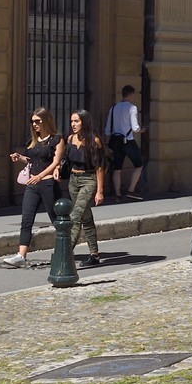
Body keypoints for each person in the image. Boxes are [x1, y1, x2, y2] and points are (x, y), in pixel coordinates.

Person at [2, 106, 65, 268]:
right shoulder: (33, 141)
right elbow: (32, 160)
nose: (35, 124)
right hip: (32, 185)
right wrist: (20, 157)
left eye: (38, 121)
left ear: (46, 121)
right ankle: (21, 256)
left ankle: (65, 250)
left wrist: (40, 176)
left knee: (56, 219)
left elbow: (56, 162)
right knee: (26, 219)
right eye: (32, 122)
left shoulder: (57, 139)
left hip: (48, 183)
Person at [63, 109, 106, 267]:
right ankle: (94, 254)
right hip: (73, 180)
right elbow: (66, 160)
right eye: (72, 121)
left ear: (85, 122)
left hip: (88, 180)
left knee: (75, 216)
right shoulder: (70, 138)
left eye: (76, 121)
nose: (73, 124)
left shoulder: (95, 141)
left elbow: (100, 167)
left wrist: (99, 191)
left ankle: (65, 253)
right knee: (86, 218)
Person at [105, 84, 146, 199]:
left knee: (117, 169)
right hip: (128, 141)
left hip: (116, 141)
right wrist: (142, 130)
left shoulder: (113, 108)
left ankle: (117, 194)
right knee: (139, 164)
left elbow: (107, 129)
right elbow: (135, 128)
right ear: (131, 95)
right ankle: (131, 190)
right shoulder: (132, 108)